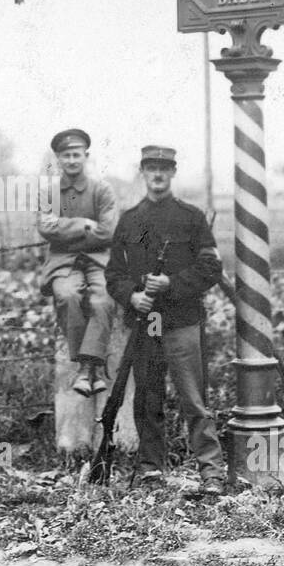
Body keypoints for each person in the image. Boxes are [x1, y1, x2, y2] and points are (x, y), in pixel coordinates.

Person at [105, 145, 226, 495]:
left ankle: (211, 473)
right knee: (147, 397)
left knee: (193, 398)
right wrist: (132, 295)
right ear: (142, 172)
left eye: (164, 168)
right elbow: (113, 273)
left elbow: (211, 268)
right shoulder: (129, 220)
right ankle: (151, 471)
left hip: (181, 319)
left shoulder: (191, 217)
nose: (157, 174)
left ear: (173, 173)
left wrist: (173, 283)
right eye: (151, 168)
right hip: (146, 322)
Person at [39, 128, 118, 395]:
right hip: (63, 261)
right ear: (58, 159)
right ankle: (88, 368)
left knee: (102, 300)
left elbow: (108, 231)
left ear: (86, 156)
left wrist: (67, 232)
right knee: (67, 294)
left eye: (76, 154)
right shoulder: (50, 193)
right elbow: (45, 227)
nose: (71, 160)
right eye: (65, 155)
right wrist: (84, 225)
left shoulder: (102, 190)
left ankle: (86, 370)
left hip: (98, 259)